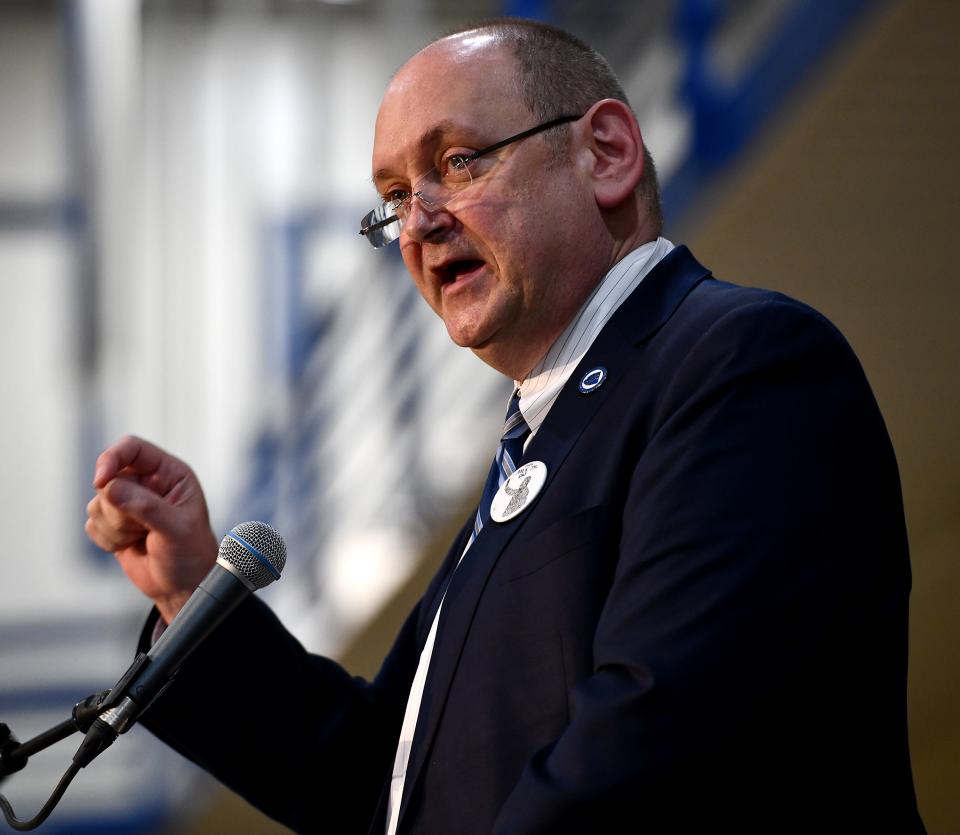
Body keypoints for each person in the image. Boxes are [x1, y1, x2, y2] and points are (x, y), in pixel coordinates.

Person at [85, 18, 924, 835]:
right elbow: (381, 782)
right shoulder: (543, 439)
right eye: (394, 198)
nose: (418, 224)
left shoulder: (743, 364)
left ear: (606, 153)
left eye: (457, 162)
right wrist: (193, 594)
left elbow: (654, 747)